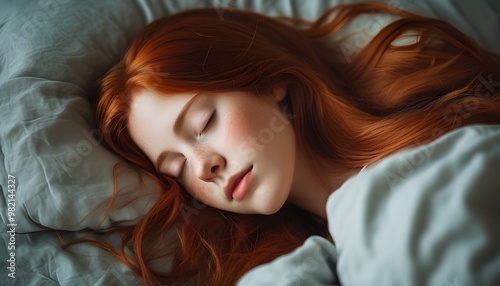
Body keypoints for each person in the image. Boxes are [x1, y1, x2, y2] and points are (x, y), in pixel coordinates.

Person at [89, 2, 500, 285]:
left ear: (271, 82)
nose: (202, 167)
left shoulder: (445, 110)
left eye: (204, 121)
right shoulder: (298, 265)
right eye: (177, 168)